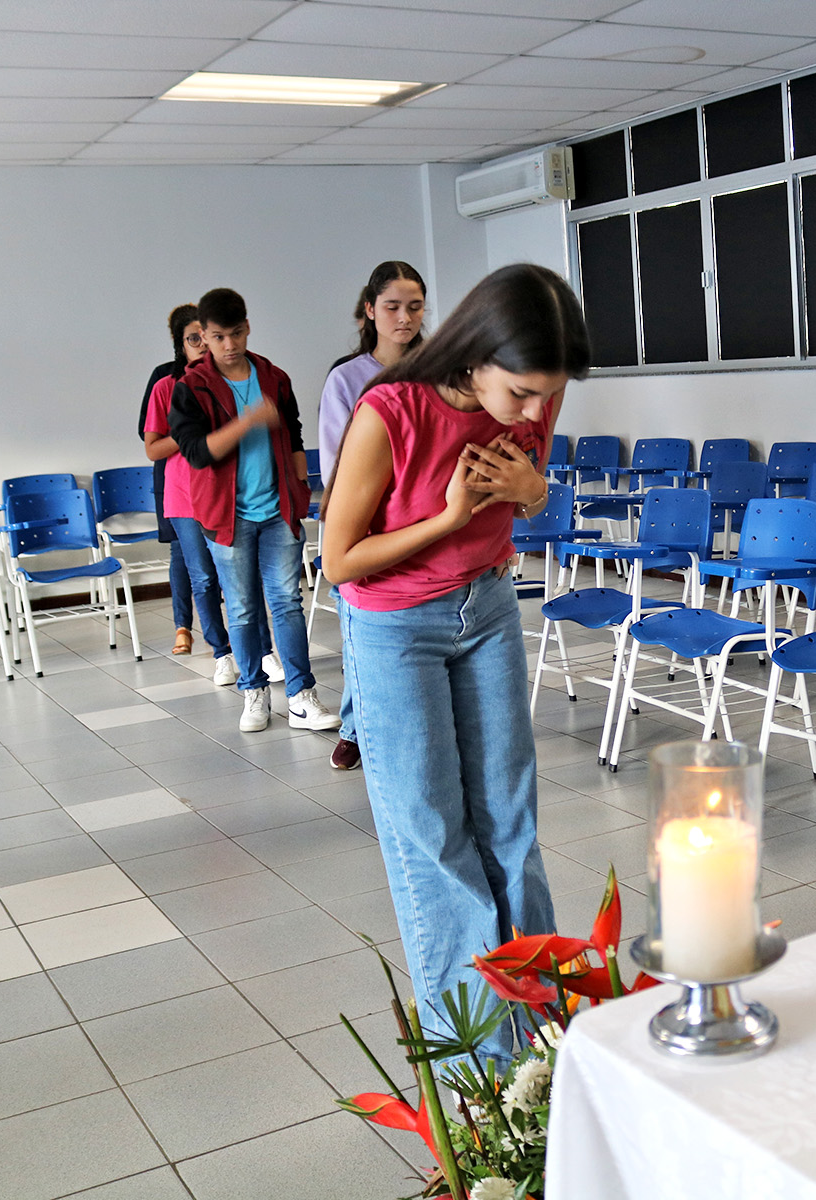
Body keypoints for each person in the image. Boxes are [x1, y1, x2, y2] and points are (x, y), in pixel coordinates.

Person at [322, 263, 589, 1055]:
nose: (536, 411)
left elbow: (534, 494)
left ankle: (543, 1039)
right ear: (476, 355)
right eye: (523, 395)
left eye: (548, 395)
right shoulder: (389, 411)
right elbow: (339, 561)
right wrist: (448, 518)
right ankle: (479, 1060)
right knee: (434, 836)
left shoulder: (534, 388)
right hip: (396, 627)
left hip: (488, 606)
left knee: (511, 822)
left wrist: (534, 490)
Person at [169, 287, 339, 735]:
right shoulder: (191, 388)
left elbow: (295, 434)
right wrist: (247, 421)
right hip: (227, 517)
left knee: (287, 603)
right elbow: (197, 453)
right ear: (204, 336)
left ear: (247, 327)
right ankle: (253, 691)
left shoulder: (273, 377)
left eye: (236, 334)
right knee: (243, 608)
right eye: (218, 337)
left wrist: (302, 493)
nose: (229, 345)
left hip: (278, 510)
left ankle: (301, 696)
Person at [317, 260, 428, 771]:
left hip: (426, 519)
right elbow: (337, 465)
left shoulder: (440, 370)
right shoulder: (347, 378)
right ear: (369, 310)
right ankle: (354, 728)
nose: (404, 318)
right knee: (360, 632)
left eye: (414, 307)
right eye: (392, 307)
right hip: (367, 525)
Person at [142, 305, 277, 688]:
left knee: (245, 578)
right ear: (181, 344)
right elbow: (152, 448)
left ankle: (263, 651)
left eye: (207, 336)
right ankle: (222, 654)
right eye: (193, 339)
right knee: (202, 577)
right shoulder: (167, 386)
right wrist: (191, 435)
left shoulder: (232, 380)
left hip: (226, 491)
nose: (202, 345)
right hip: (184, 494)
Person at [137, 308, 196, 656]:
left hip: (214, 478)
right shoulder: (164, 378)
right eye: (192, 337)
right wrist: (189, 435)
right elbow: (147, 433)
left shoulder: (222, 373)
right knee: (180, 552)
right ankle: (182, 626)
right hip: (173, 476)